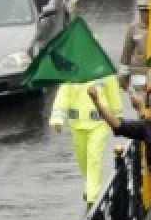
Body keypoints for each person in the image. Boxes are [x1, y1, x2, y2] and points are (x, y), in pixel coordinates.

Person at [51, 75, 121, 206]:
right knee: (83, 159)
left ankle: (92, 195)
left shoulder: (103, 71)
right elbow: (62, 95)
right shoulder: (71, 71)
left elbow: (113, 93)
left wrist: (118, 118)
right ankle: (90, 184)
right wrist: (57, 119)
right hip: (77, 124)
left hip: (99, 122)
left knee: (94, 157)